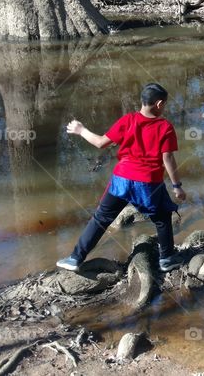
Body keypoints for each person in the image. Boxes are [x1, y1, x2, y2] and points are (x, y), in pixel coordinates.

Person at [56, 83, 187, 273]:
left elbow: (101, 142)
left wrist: (81, 130)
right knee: (162, 218)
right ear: (159, 104)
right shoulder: (164, 127)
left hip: (121, 179)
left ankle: (75, 258)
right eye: (164, 104)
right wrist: (177, 186)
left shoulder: (128, 120)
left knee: (101, 218)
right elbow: (167, 158)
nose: (164, 107)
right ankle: (167, 259)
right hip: (148, 183)